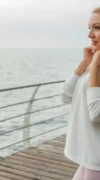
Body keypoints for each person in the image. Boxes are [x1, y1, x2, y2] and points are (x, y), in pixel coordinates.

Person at [60, 7, 100, 180]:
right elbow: (66, 96)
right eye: (89, 28)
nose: (90, 35)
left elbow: (96, 113)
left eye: (97, 27)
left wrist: (95, 69)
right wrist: (85, 63)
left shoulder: (96, 68)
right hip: (87, 160)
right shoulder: (93, 65)